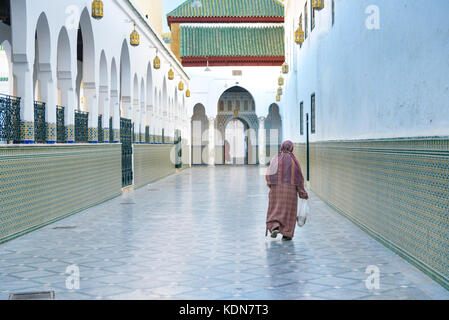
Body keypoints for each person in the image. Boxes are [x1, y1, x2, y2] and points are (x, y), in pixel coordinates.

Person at [265, 140, 309, 241]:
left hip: (276, 189)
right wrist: (302, 193)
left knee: (275, 209)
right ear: (291, 148)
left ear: (282, 147)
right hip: (290, 190)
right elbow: (299, 178)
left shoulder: (275, 158)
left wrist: (270, 185)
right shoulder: (294, 161)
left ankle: (275, 226)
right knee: (289, 212)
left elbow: (268, 174)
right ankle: (287, 235)